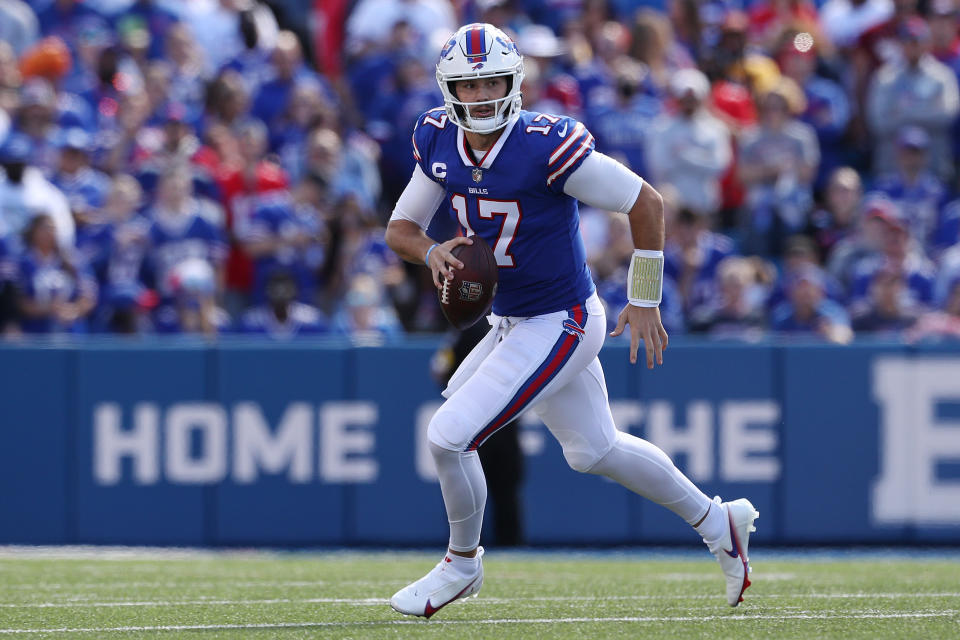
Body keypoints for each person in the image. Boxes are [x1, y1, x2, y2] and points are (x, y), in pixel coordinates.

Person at [383, 23, 759, 619]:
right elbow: (401, 229)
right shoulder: (435, 137)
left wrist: (645, 298)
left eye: (493, 83)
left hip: (562, 318)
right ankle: (720, 522)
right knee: (594, 450)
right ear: (449, 89)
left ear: (515, 83)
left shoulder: (543, 144)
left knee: (449, 435)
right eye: (469, 85)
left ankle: (462, 562)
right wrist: (431, 252)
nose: (481, 97)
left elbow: (647, 202)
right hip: (511, 320)